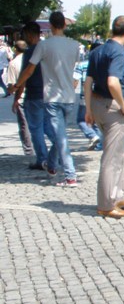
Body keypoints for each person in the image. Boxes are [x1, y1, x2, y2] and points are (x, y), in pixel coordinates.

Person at [13, 11, 81, 186]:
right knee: (59, 135)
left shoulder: (44, 46)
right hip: (68, 96)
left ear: (50, 25)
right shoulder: (74, 45)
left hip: (52, 97)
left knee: (61, 138)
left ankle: (70, 175)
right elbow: (71, 69)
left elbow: (29, 70)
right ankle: (51, 165)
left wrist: (16, 85)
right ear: (64, 25)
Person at [85, 15, 124, 218]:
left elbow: (87, 82)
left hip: (96, 103)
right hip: (111, 106)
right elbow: (113, 82)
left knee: (116, 154)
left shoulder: (97, 51)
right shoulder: (118, 52)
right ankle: (106, 204)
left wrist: (88, 110)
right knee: (111, 157)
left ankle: (117, 195)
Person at [12, 22, 56, 170]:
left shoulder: (31, 52)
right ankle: (60, 151)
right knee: (48, 127)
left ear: (30, 34)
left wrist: (17, 94)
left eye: (25, 35)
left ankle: (42, 159)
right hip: (49, 94)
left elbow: (26, 74)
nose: (24, 38)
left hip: (34, 94)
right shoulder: (49, 50)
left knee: (36, 128)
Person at [7, 40, 34, 156]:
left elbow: (11, 85)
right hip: (36, 96)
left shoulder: (13, 63)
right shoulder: (33, 60)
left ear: (15, 49)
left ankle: (29, 151)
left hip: (22, 98)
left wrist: (14, 97)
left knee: (24, 126)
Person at [73, 47, 103, 151]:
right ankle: (99, 145)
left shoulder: (82, 65)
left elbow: (75, 80)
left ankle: (93, 136)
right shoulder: (102, 64)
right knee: (96, 121)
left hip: (85, 96)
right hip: (99, 96)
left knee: (81, 120)